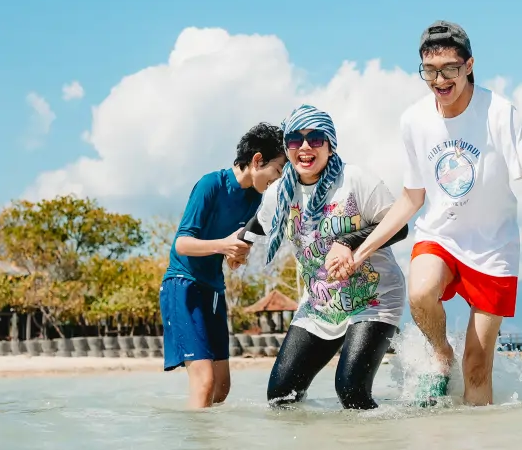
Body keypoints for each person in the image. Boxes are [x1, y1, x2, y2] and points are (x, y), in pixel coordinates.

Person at [330, 21, 522, 406]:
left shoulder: (500, 112)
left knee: (476, 367)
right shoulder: (414, 120)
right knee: (421, 290)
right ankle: (440, 352)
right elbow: (410, 199)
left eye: (449, 69)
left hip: (495, 249)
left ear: (469, 65)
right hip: (440, 235)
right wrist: (359, 254)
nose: (439, 80)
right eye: (430, 71)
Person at [259, 104, 408, 411]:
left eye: (314, 139)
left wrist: (347, 242)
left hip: (373, 298)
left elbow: (400, 227)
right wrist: (234, 246)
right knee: (281, 397)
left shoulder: (355, 180)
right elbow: (257, 225)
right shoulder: (279, 194)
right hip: (320, 304)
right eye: (294, 140)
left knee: (351, 390)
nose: (304, 148)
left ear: (329, 144)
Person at [161, 123, 286, 408]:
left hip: (214, 291)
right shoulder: (210, 185)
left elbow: (233, 258)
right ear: (257, 160)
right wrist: (223, 244)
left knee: (222, 387)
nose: (278, 180)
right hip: (183, 284)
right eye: (278, 170)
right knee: (204, 382)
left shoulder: (257, 201)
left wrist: (236, 256)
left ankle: (209, 444)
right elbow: (181, 244)